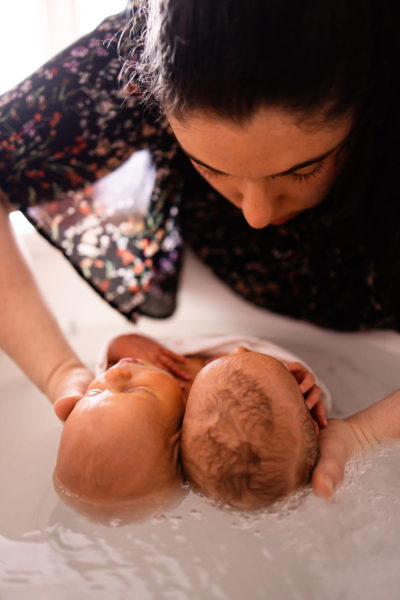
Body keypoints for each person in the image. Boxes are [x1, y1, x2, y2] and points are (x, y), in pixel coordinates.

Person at [0, 0, 399, 498]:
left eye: (302, 170)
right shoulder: (136, 59)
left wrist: (365, 432)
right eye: (210, 166)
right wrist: (62, 372)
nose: (255, 215)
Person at [54, 333, 327, 514]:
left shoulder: (138, 409)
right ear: (180, 427)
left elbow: (110, 372)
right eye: (132, 390)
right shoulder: (210, 423)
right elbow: (284, 423)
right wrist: (292, 379)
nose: (114, 375)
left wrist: (116, 347)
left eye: (94, 392)